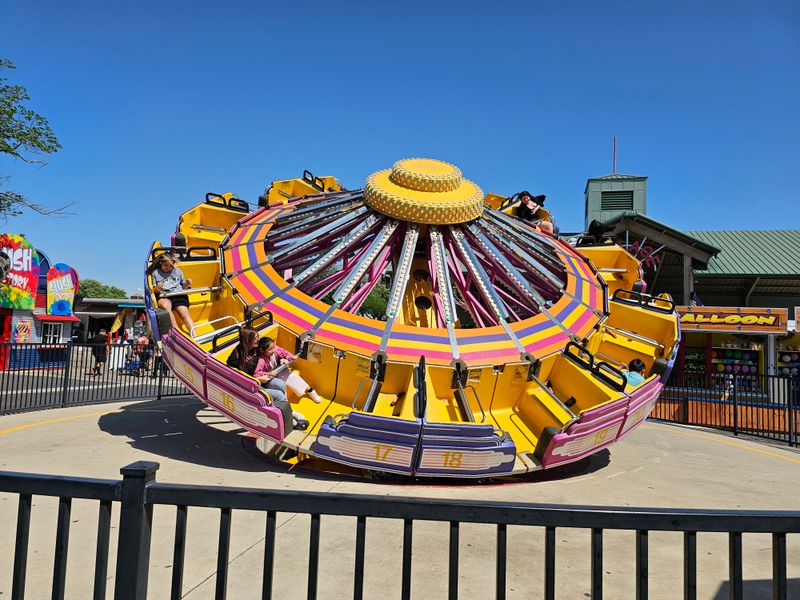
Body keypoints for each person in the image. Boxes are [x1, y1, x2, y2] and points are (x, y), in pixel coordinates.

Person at [254, 337, 323, 431]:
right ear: (262, 350)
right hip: (269, 378)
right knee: (280, 386)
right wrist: (268, 373)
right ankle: (289, 409)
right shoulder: (261, 360)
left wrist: (285, 359)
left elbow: (286, 354)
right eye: (270, 349)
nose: (274, 350)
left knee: (292, 376)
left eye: (273, 347)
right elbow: (257, 374)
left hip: (278, 370)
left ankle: (309, 390)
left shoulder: (275, 349)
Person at [147, 253, 195, 336]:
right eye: (166, 265)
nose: (168, 268)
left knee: (184, 313)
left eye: (171, 266)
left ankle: (195, 335)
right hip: (164, 296)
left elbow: (183, 286)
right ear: (161, 263)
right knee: (165, 306)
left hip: (178, 295)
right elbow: (154, 290)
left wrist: (187, 283)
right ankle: (177, 333)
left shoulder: (178, 271)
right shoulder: (155, 273)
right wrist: (157, 288)